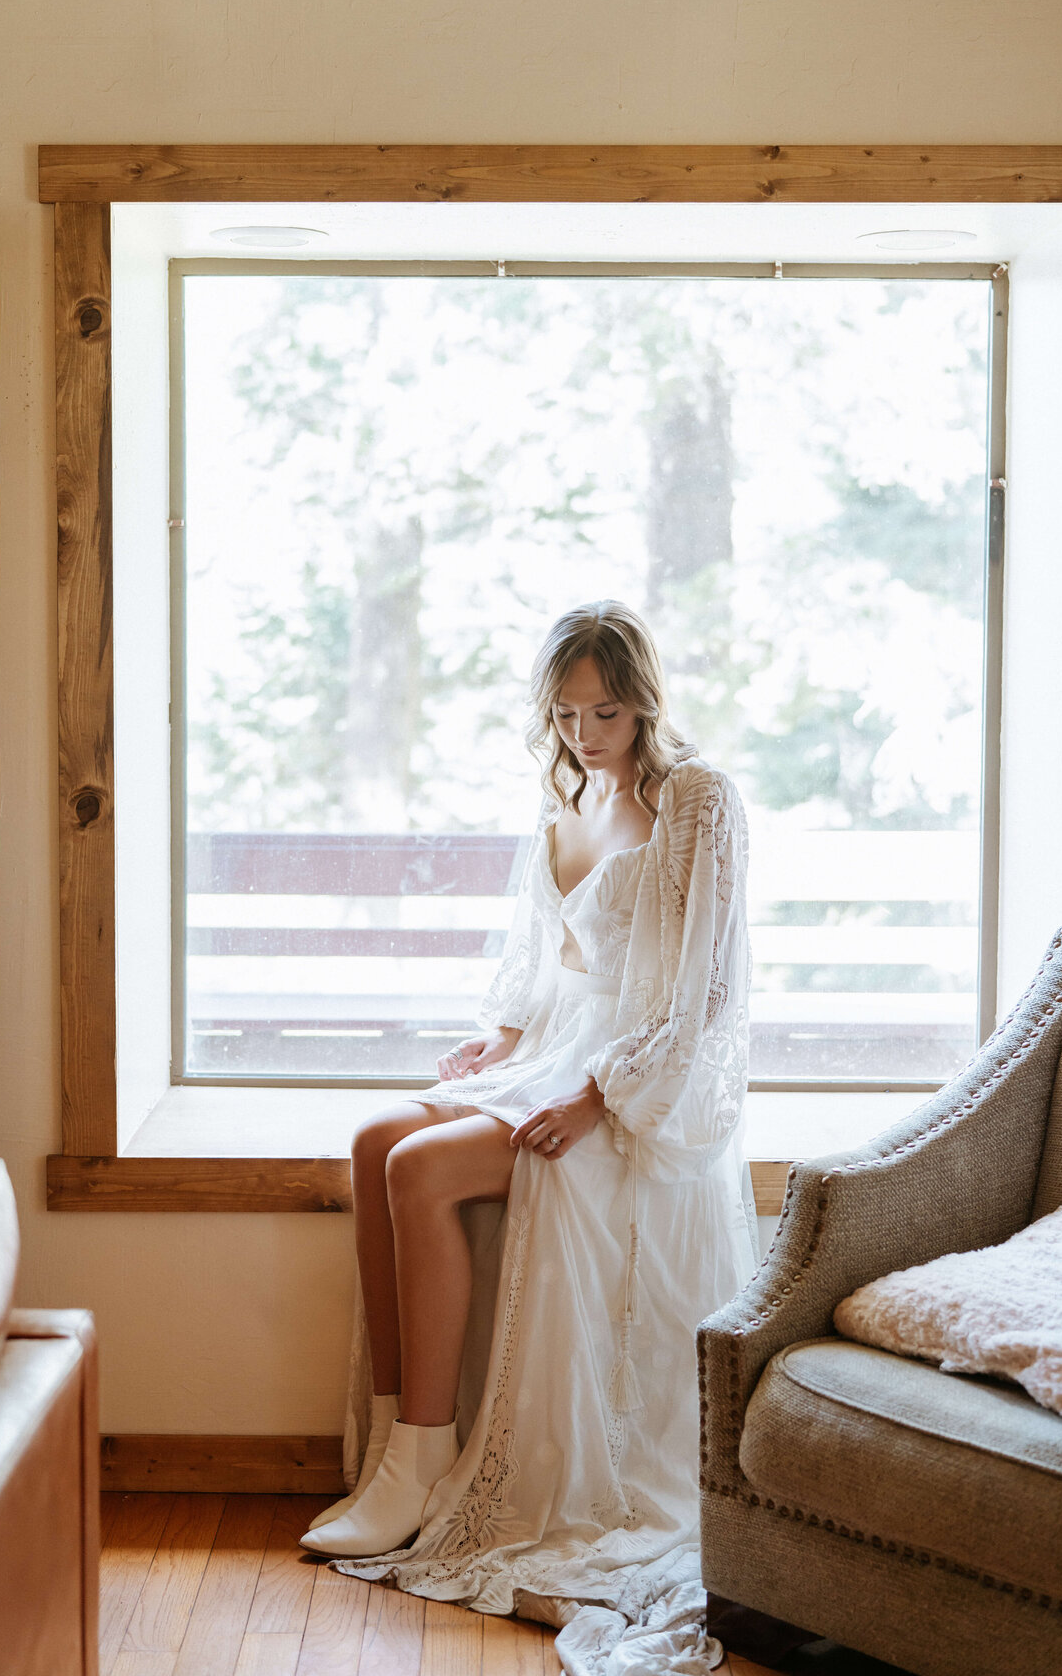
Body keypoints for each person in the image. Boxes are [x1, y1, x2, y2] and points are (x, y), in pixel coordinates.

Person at [301, 600, 757, 1675]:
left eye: (604, 713)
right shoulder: (569, 794)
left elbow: (702, 989)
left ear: (643, 700)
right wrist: (495, 1044)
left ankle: (426, 1461)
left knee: (418, 1168)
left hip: (627, 1078)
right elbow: (541, 961)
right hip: (549, 1049)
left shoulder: (697, 799)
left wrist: (598, 1094)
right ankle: (391, 1453)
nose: (585, 735)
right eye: (565, 715)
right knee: (374, 1139)